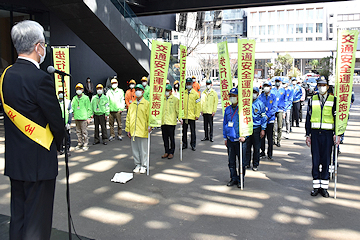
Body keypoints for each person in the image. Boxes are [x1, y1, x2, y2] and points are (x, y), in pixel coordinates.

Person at [1, 20, 64, 239]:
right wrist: (62, 142)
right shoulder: (40, 79)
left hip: (16, 161)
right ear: (38, 47)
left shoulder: (5, 76)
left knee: (19, 217)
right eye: (44, 44)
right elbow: (55, 119)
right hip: (39, 161)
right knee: (37, 221)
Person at [305, 76, 340, 198]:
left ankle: (324, 187)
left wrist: (338, 134)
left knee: (326, 160)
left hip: (328, 134)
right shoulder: (312, 99)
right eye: (319, 85)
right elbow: (308, 118)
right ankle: (316, 186)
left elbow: (337, 119)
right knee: (315, 160)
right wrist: (307, 134)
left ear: (327, 86)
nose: (321, 87)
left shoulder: (334, 100)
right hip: (315, 134)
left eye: (323, 85)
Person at [223, 88, 247, 188]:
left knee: (242, 162)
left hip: (240, 140)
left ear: (238, 97)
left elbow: (248, 123)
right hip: (230, 139)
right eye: (231, 96)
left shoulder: (243, 109)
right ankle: (233, 178)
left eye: (234, 96)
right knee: (231, 161)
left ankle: (241, 179)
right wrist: (225, 137)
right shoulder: (227, 109)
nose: (232, 98)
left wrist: (245, 136)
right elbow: (224, 123)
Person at [125, 84, 151, 174]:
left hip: (143, 130)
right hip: (134, 130)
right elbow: (128, 117)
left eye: (140, 90)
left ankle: (144, 165)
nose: (138, 91)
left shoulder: (147, 104)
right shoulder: (132, 105)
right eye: (136, 90)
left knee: (143, 149)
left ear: (143, 92)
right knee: (135, 149)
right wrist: (128, 129)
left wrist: (150, 126)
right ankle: (138, 164)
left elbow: (149, 117)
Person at [245, 87, 266, 171]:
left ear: (258, 94)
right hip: (248, 128)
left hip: (257, 128)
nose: (253, 94)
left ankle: (255, 164)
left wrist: (263, 129)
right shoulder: (247, 103)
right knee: (247, 147)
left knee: (256, 148)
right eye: (252, 92)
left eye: (255, 92)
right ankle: (247, 163)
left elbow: (263, 118)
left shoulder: (260, 104)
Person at [259, 81, 277, 160]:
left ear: (270, 87)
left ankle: (270, 154)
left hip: (270, 121)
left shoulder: (273, 96)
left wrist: (268, 116)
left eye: (267, 86)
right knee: (262, 137)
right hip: (262, 120)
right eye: (265, 86)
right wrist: (263, 116)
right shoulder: (260, 96)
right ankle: (262, 151)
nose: (266, 87)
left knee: (270, 138)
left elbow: (274, 108)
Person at [182, 77, 201, 151]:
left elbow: (198, 105)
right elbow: (181, 105)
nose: (188, 85)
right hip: (184, 116)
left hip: (192, 116)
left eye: (189, 83)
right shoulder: (183, 94)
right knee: (184, 131)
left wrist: (197, 115)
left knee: (192, 131)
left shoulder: (196, 94)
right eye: (187, 83)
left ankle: (193, 144)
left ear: (192, 84)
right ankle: (184, 144)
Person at [72, 83, 92, 150]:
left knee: (84, 132)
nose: (78, 90)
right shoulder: (74, 98)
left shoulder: (86, 98)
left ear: (83, 90)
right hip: (77, 117)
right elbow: (72, 107)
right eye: (77, 89)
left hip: (83, 118)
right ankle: (80, 143)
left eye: (80, 89)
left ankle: (85, 144)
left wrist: (89, 117)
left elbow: (89, 108)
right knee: (78, 132)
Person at [161, 84, 179, 159]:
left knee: (171, 138)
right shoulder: (162, 99)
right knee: (165, 138)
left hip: (171, 122)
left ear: (171, 91)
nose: (166, 92)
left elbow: (178, 110)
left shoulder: (175, 100)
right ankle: (166, 151)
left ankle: (171, 152)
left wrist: (180, 118)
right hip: (163, 122)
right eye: (165, 91)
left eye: (168, 91)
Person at [271, 77, 286, 147]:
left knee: (279, 126)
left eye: (278, 81)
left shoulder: (283, 90)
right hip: (273, 110)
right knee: (273, 126)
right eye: (276, 81)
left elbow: (286, 101)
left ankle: (278, 140)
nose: (277, 82)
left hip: (280, 110)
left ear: (280, 82)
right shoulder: (272, 90)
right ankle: (273, 140)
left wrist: (284, 111)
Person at [58, 88, 73, 156]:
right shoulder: (56, 102)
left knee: (67, 136)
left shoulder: (68, 102)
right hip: (59, 121)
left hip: (66, 120)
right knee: (59, 136)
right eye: (59, 92)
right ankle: (60, 149)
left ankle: (67, 149)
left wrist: (69, 123)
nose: (60, 94)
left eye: (62, 92)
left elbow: (70, 113)